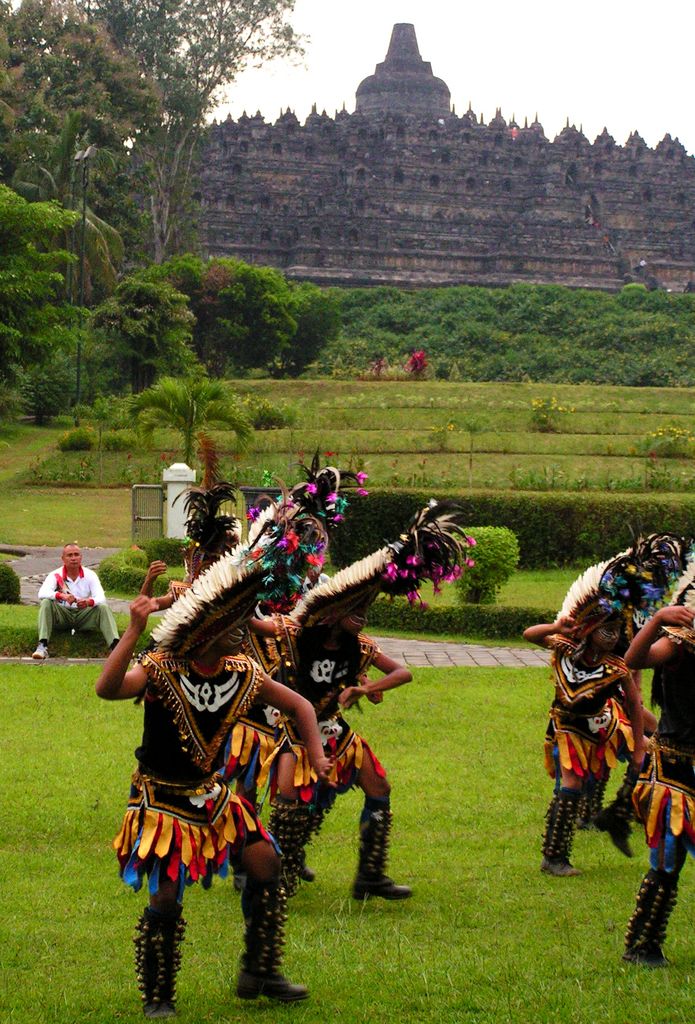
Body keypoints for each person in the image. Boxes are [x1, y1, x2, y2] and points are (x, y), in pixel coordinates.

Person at [98, 549, 333, 1018]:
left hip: (212, 793)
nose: (243, 633)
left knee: (266, 861)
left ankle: (260, 972)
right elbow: (108, 688)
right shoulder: (162, 668)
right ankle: (159, 995)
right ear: (206, 628)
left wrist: (318, 754)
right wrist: (132, 631)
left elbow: (302, 707)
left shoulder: (242, 672)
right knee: (166, 894)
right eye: (234, 626)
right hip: (161, 797)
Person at [251, 501, 472, 900]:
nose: (363, 616)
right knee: (290, 808)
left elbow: (402, 673)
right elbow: (258, 624)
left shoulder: (360, 646)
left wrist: (363, 689)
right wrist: (235, 593)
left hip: (336, 732)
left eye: (367, 608)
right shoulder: (297, 635)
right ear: (335, 609)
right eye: (357, 608)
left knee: (379, 788)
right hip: (296, 736)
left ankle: (370, 876)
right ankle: (273, 881)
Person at [524, 553, 647, 877]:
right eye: (603, 629)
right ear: (588, 628)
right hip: (566, 729)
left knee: (647, 757)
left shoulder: (616, 668)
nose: (610, 636)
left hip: (605, 725)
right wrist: (556, 626)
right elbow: (530, 635)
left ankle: (622, 813)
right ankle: (554, 856)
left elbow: (634, 706)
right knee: (572, 782)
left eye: (615, 631)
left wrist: (637, 747)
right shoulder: (565, 648)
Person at [621, 569, 695, 967]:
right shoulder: (681, 644)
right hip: (676, 773)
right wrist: (656, 620)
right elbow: (634, 659)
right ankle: (642, 946)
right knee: (667, 862)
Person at [32, 543, 119, 659]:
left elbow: (101, 597)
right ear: (63, 558)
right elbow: (42, 593)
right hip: (62, 614)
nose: (73, 558)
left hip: (83, 615)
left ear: (81, 557)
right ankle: (42, 645)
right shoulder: (55, 575)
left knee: (103, 608)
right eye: (69, 555)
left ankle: (116, 648)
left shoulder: (90, 575)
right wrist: (61, 596)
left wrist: (89, 602)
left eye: (76, 555)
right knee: (46, 603)